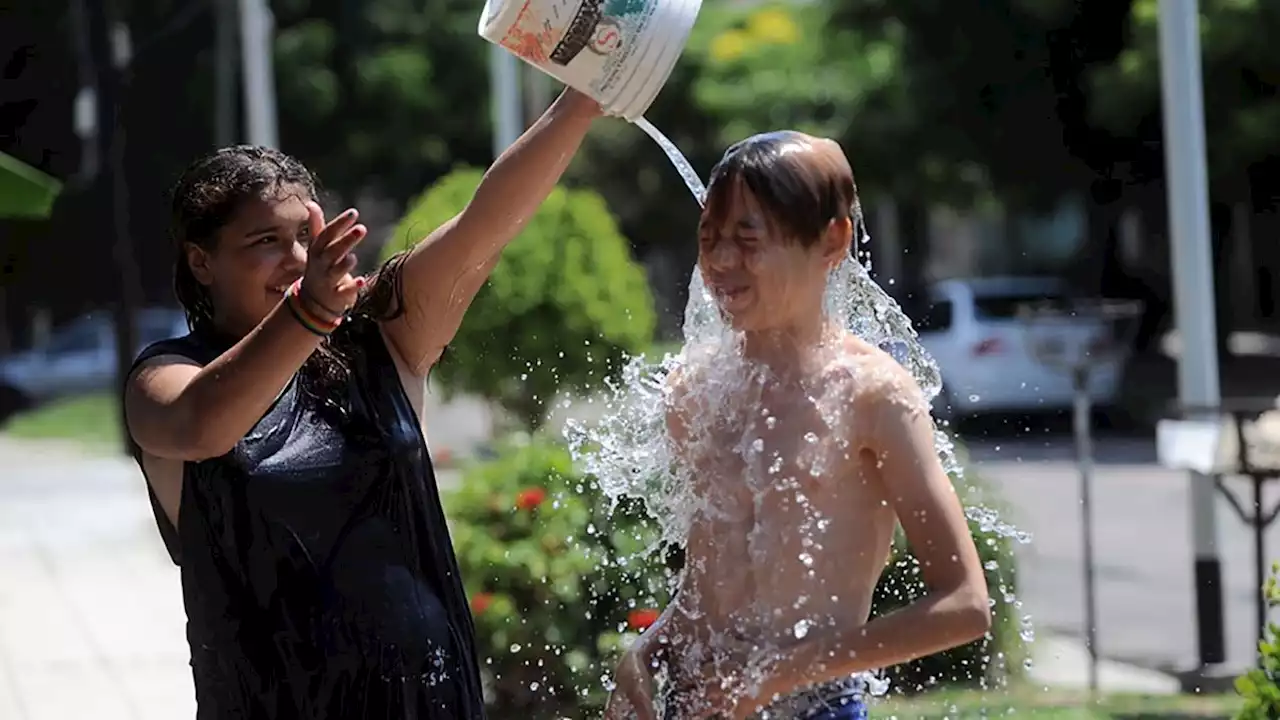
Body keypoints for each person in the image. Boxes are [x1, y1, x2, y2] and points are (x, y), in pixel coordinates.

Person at [123, 88, 602, 719]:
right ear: (201, 261)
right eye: (265, 240)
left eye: (304, 235)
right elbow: (204, 426)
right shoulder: (165, 379)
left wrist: (584, 102)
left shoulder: (377, 336)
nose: (295, 258)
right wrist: (311, 309)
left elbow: (481, 227)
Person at [604, 131, 992, 720]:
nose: (721, 262)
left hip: (814, 707)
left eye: (747, 239)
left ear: (832, 241)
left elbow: (965, 605)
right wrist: (651, 646)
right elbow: (717, 585)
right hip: (695, 703)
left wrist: (773, 678)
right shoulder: (697, 387)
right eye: (709, 240)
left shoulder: (873, 395)